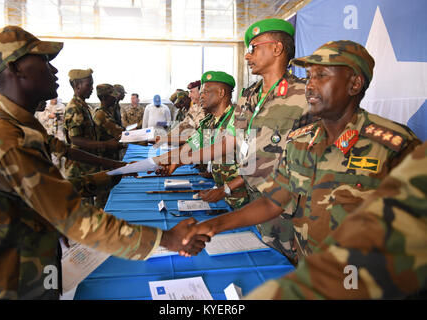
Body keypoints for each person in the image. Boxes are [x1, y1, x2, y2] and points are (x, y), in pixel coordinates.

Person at [0, 25, 208, 300]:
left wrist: (115, 173)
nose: (54, 70)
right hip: (11, 281)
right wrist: (166, 239)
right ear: (15, 68)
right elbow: (71, 214)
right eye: (43, 60)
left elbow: (45, 195)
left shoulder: (17, 127)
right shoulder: (7, 137)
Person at [181, 40, 421, 263]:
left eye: (322, 76)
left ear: (354, 83)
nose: (311, 85)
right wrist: (213, 226)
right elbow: (273, 203)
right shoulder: (301, 142)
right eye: (309, 76)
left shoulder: (395, 146)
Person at [156, 19, 311, 264]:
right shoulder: (249, 95)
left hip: (288, 209)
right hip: (252, 203)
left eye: (254, 48)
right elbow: (228, 144)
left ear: (277, 49)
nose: (248, 57)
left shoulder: (305, 95)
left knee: (290, 270)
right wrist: (178, 157)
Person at [245, 141, 427, 299]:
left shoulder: (396, 145)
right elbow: (286, 198)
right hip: (311, 259)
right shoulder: (303, 140)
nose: (309, 98)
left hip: (351, 273)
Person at [187, 71, 249, 209]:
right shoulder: (211, 121)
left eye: (206, 92)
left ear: (221, 93)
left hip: (244, 202)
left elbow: (254, 167)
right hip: (225, 198)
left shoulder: (239, 119)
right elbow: (192, 145)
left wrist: (224, 189)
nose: (201, 96)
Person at [63, 68, 123, 205]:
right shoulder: (74, 107)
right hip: (78, 168)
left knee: (91, 204)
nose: (91, 89)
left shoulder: (83, 106)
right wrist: (106, 145)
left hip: (87, 165)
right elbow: (76, 139)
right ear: (77, 85)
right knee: (83, 208)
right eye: (88, 85)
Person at [92, 84, 125, 208]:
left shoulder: (107, 112)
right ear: (104, 97)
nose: (116, 99)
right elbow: (120, 134)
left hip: (110, 157)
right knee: (103, 196)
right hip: (104, 160)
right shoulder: (101, 114)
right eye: (113, 97)